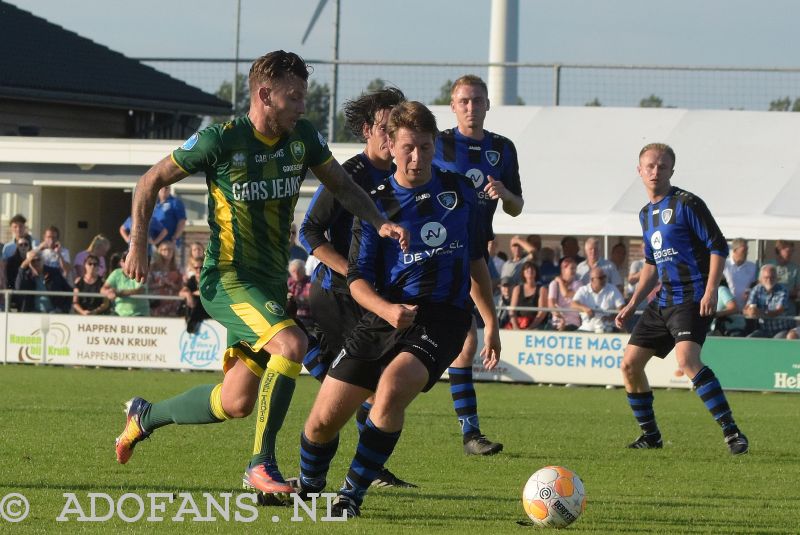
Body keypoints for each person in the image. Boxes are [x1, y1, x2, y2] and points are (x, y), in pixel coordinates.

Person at [113, 50, 408, 499]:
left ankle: (144, 416)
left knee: (235, 402)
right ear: (264, 94)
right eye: (293, 97)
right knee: (292, 344)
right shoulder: (221, 140)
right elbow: (150, 180)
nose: (302, 106)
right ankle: (260, 465)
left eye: (303, 96)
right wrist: (138, 245)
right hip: (227, 279)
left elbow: (344, 187)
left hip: (268, 286)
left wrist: (378, 220)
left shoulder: (302, 137)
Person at [292, 100, 501, 518]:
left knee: (391, 389)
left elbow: (476, 258)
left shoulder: (460, 191)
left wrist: (491, 320)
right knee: (321, 422)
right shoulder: (372, 203)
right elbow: (357, 279)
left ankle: (350, 495)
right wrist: (386, 311)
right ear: (390, 143)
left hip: (442, 316)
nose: (417, 157)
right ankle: (308, 491)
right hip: (383, 313)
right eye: (408, 147)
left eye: (425, 147)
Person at [298, 86, 414, 488]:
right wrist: (351, 272)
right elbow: (309, 232)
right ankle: (369, 471)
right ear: (367, 130)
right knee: (370, 387)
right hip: (338, 295)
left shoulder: (408, 173)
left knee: (379, 386)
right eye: (384, 128)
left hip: (377, 300)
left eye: (396, 127)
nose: (391, 136)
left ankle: (305, 346)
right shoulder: (347, 175)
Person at [614, 142, 748, 455]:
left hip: (692, 297)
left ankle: (732, 433)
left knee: (687, 360)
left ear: (672, 170)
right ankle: (651, 436)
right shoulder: (645, 215)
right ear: (639, 171)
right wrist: (633, 303)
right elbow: (651, 263)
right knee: (630, 366)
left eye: (662, 166)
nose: (655, 171)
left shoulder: (687, 203)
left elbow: (718, 246)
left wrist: (712, 288)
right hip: (663, 301)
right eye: (650, 166)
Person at [433, 75, 523, 455]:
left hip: (472, 251)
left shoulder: (502, 148)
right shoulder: (438, 144)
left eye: (477, 100)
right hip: (436, 253)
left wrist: (504, 195)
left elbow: (517, 207)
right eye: (464, 101)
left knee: (465, 344)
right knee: (452, 344)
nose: (471, 107)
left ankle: (471, 434)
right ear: (453, 106)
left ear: (487, 105)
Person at [743, 264, 793, 338]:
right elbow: (746, 308)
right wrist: (748, 312)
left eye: (772, 277)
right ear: (760, 279)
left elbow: (778, 311)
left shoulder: (783, 290)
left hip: (781, 329)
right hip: (763, 329)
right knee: (749, 339)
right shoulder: (756, 289)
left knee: (777, 342)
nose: (769, 280)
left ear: (777, 278)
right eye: (766, 277)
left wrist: (759, 312)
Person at [572, 266, 625, 333]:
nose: (603, 279)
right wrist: (584, 308)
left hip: (608, 328)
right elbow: (573, 304)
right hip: (586, 328)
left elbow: (622, 307)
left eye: (604, 277)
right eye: (600, 278)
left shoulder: (612, 289)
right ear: (592, 280)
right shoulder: (583, 290)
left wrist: (611, 318)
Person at [102, 252, 148, 317]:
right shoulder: (116, 273)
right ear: (121, 262)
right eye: (126, 261)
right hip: (119, 313)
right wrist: (108, 292)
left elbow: (140, 290)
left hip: (139, 314)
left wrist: (118, 292)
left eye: (132, 261)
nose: (130, 263)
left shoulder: (140, 272)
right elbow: (103, 289)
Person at [509, 261, 549, 330]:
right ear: (523, 273)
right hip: (519, 323)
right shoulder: (517, 289)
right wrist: (515, 327)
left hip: (537, 326)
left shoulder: (542, 289)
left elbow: (542, 313)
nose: (530, 270)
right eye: (527, 269)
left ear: (536, 272)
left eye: (532, 269)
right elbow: (512, 311)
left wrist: (530, 328)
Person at [147, 240, 183, 317]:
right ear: (159, 251)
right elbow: (147, 285)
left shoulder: (177, 268)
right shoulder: (153, 267)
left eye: (170, 249)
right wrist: (159, 285)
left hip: (173, 303)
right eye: (164, 249)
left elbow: (181, 287)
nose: (167, 252)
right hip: (157, 302)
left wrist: (172, 285)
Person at [764, 239, 800, 315]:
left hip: (788, 312)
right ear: (779, 250)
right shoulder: (766, 265)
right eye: (788, 252)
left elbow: (797, 290)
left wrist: (777, 293)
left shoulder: (795, 268)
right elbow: (761, 286)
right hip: (769, 311)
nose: (790, 254)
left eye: (792, 251)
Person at [548, 256, 582, 331]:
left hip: (573, 324)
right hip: (557, 324)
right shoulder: (554, 284)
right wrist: (560, 317)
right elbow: (551, 304)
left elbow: (566, 294)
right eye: (571, 268)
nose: (574, 271)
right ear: (563, 269)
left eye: (575, 269)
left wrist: (560, 282)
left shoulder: (578, 284)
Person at [722, 237, 757, 310]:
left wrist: (749, 291)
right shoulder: (724, 265)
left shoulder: (752, 267)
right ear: (734, 250)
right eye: (744, 250)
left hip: (745, 309)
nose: (746, 253)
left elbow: (754, 284)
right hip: (726, 309)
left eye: (747, 250)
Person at [179, 254, 210, 334]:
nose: (198, 270)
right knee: (190, 299)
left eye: (201, 268)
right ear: (193, 269)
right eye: (196, 268)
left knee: (198, 301)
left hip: (206, 309)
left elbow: (207, 293)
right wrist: (189, 294)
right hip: (194, 308)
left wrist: (192, 294)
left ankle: (191, 321)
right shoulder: (192, 280)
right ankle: (191, 320)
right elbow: (182, 292)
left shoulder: (209, 279)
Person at [286, 258, 312, 327]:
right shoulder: (289, 282)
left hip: (307, 317)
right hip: (291, 317)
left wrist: (295, 298)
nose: (296, 274)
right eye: (293, 271)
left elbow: (311, 300)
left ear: (304, 270)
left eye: (299, 271)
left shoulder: (310, 282)